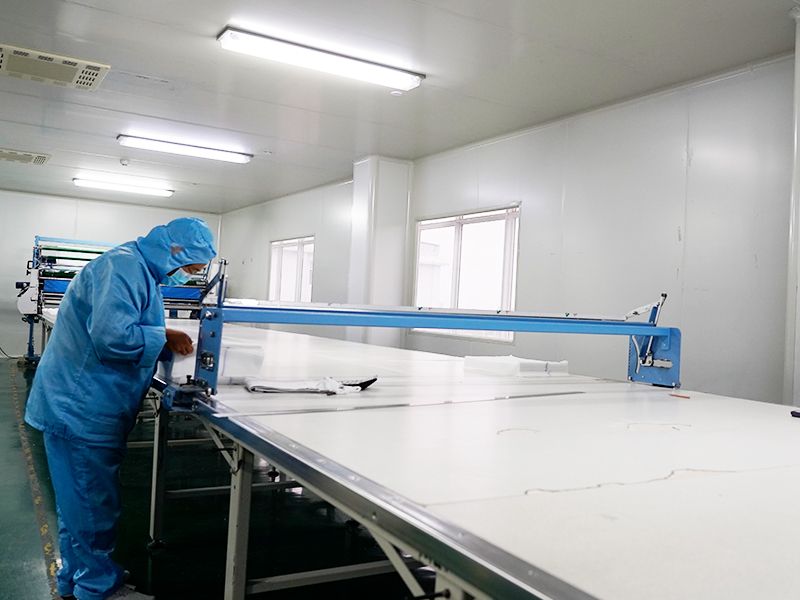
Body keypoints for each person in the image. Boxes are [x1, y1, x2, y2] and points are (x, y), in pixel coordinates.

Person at [25, 217, 217, 600]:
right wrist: (163, 335)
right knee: (92, 504)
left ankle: (76, 578)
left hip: (79, 403)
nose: (189, 276)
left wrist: (160, 336)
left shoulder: (137, 268)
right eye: (191, 268)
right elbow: (113, 338)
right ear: (175, 253)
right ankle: (98, 588)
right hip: (81, 408)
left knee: (76, 501)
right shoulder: (124, 267)